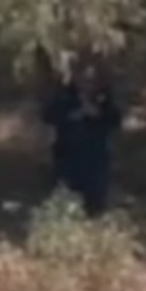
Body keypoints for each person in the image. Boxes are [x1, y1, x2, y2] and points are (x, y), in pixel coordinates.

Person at [41, 62, 125, 215]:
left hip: (96, 160)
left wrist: (96, 114)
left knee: (95, 202)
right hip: (67, 157)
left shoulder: (104, 100)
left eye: (91, 80)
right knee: (66, 198)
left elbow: (115, 122)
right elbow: (49, 117)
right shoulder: (65, 97)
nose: (87, 83)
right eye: (84, 79)